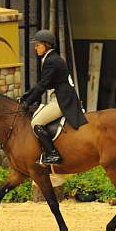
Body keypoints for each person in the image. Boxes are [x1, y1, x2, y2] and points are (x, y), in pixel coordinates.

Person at [19, 29, 88, 165]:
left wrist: (28, 102)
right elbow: (42, 83)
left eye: (38, 45)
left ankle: (53, 154)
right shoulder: (52, 58)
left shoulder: (51, 61)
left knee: (36, 123)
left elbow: (43, 85)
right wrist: (26, 96)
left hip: (61, 100)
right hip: (59, 97)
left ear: (46, 45)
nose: (35, 47)